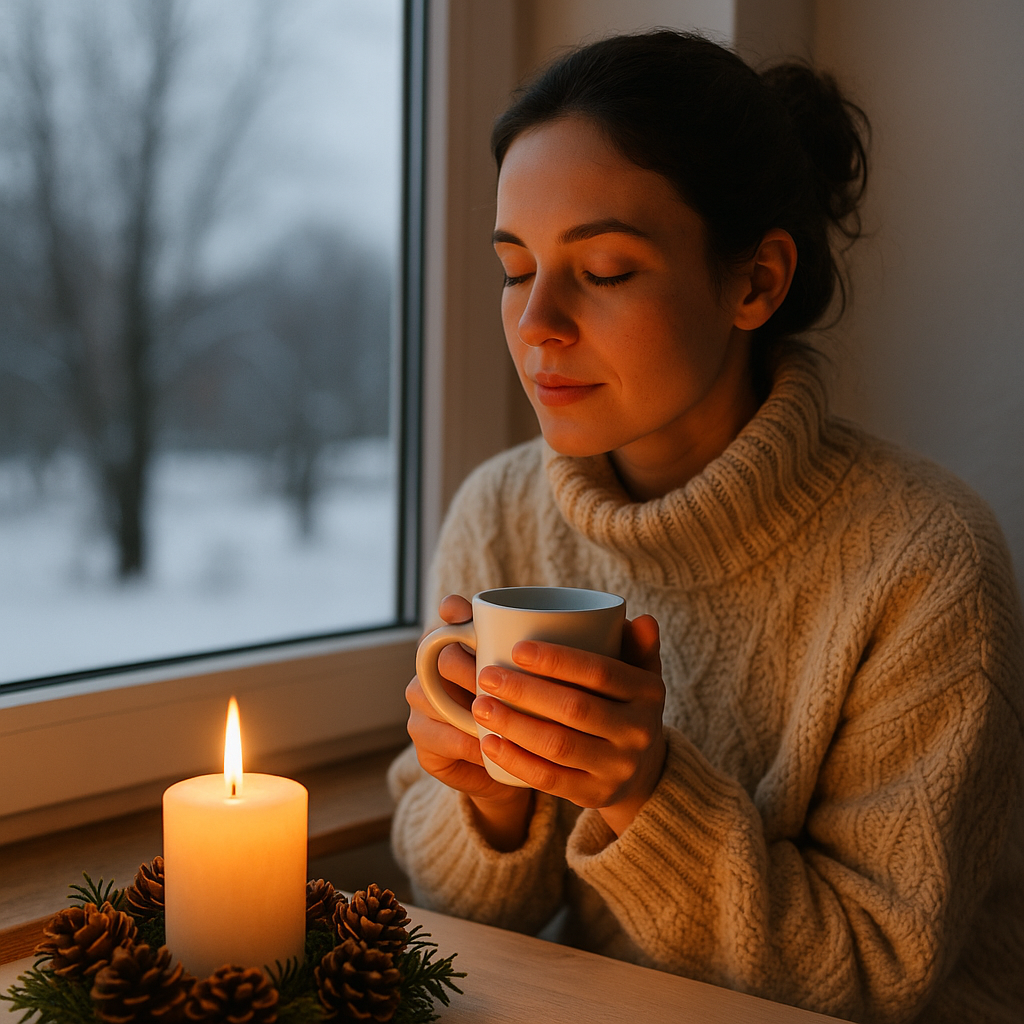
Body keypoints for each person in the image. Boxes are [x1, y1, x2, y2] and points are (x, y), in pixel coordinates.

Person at [387, 30, 1024, 1023]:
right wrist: (487, 802)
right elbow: (461, 920)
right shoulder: (503, 511)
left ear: (755, 283)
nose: (537, 321)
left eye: (601, 269)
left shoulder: (923, 558)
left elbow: (874, 979)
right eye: (516, 267)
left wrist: (644, 790)